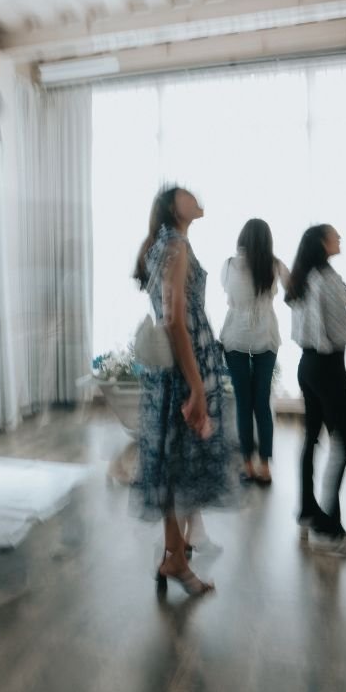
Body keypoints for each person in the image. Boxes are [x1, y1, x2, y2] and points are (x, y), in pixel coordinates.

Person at [133, 186, 229, 597]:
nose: (198, 198)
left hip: (173, 368)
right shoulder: (176, 246)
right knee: (180, 468)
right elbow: (175, 319)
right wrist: (196, 386)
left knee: (175, 465)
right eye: (189, 195)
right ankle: (175, 556)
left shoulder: (163, 245)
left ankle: (176, 553)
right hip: (184, 368)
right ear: (174, 207)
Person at [286, 224, 346, 556]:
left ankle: (308, 513)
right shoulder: (327, 278)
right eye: (335, 236)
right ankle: (329, 529)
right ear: (323, 243)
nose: (340, 239)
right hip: (328, 368)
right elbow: (339, 331)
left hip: (307, 366)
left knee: (311, 438)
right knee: (343, 442)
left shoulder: (304, 277)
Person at [220, 219, 289, 486]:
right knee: (262, 403)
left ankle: (248, 466)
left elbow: (229, 296)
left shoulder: (229, 265)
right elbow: (294, 290)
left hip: (235, 337)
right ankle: (265, 468)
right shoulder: (274, 265)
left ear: (242, 238)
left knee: (243, 403)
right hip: (266, 337)